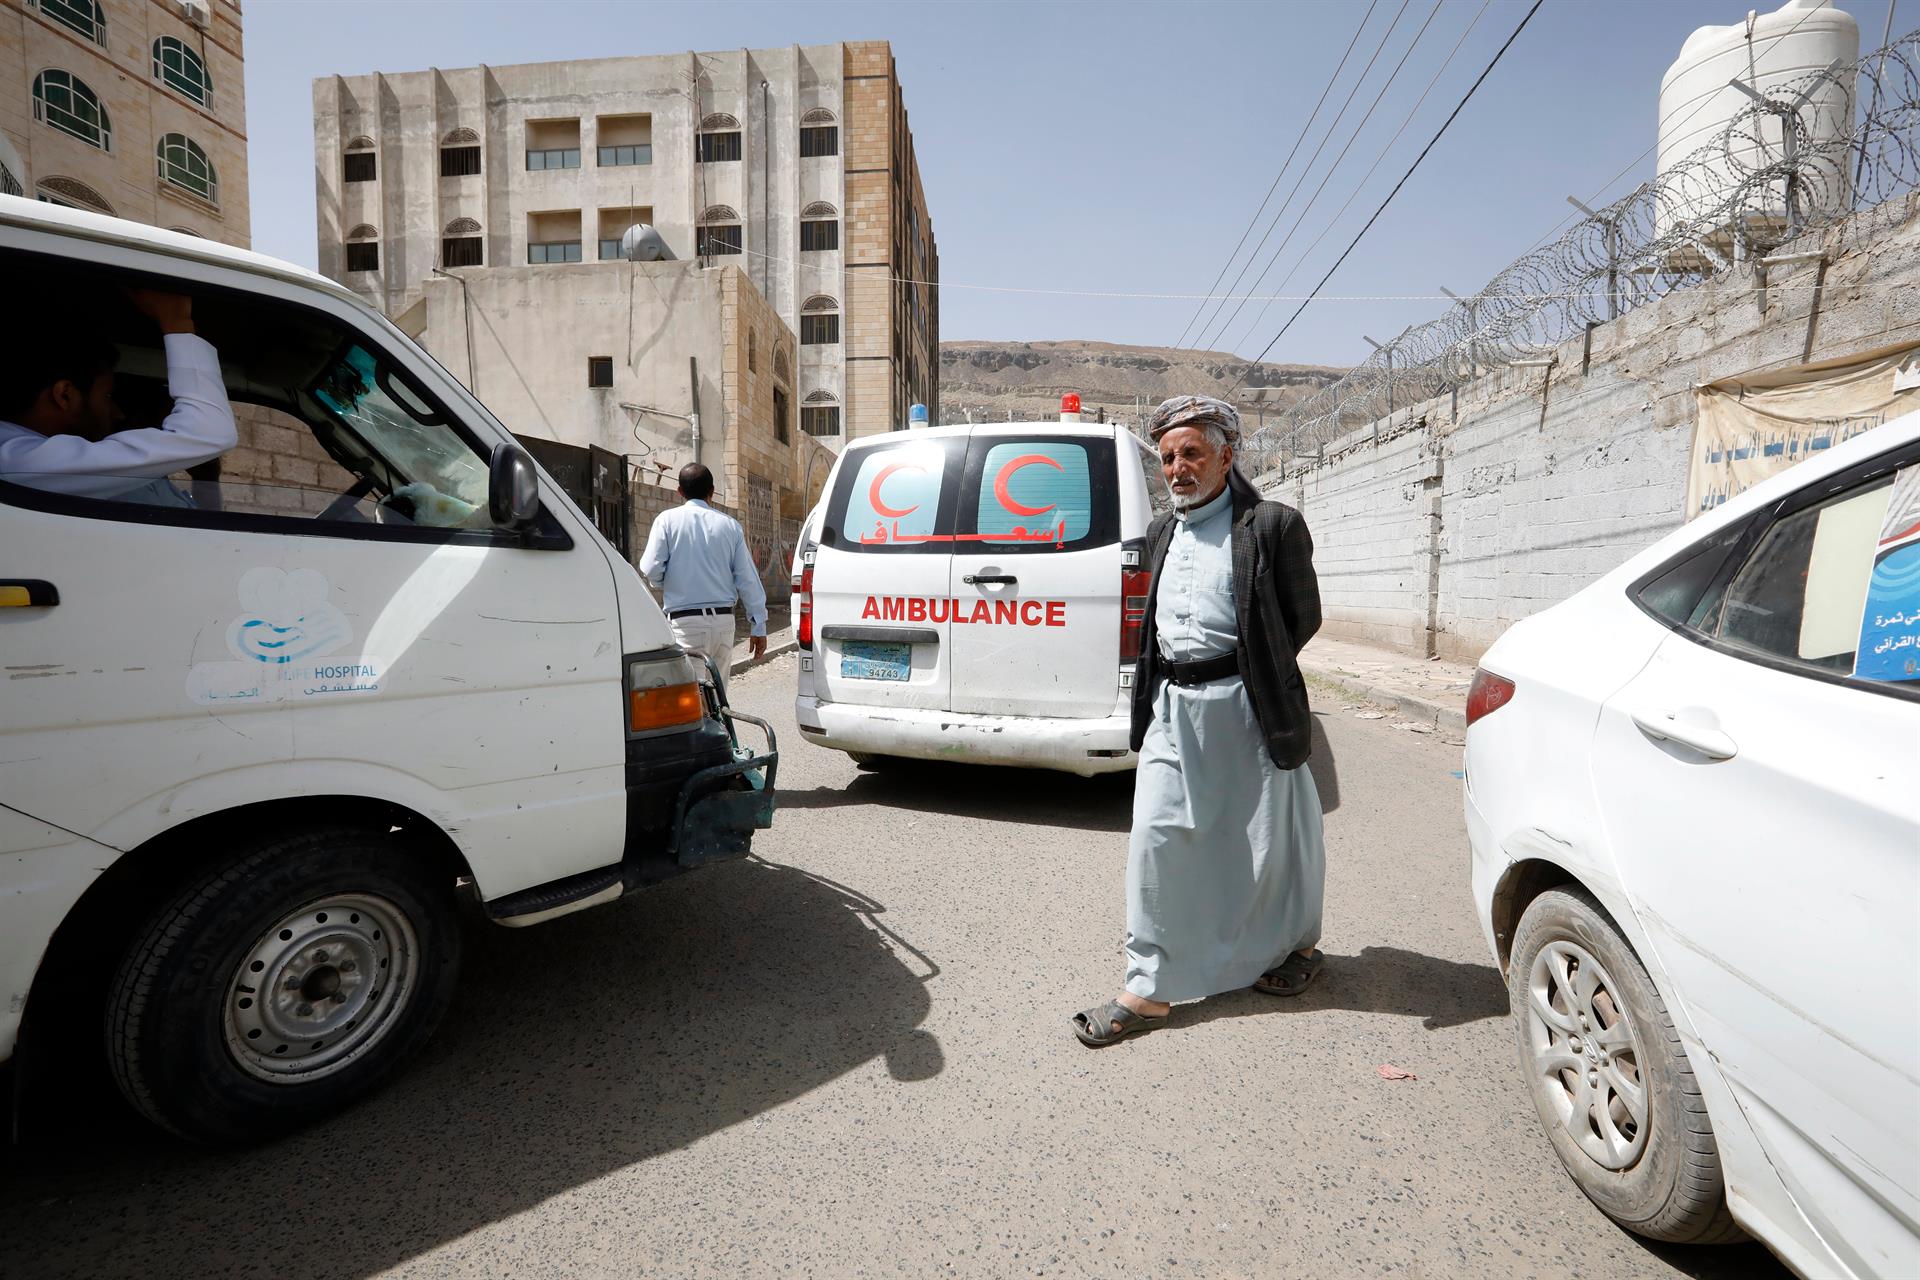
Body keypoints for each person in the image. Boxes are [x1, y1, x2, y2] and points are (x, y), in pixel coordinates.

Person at [1072, 395, 1327, 1046]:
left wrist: (1257, 672)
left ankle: (1296, 948)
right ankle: (1148, 987)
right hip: (1172, 708)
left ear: (1225, 456)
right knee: (1155, 836)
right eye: (1167, 458)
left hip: (1247, 706)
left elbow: (1302, 618)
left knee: (1273, 843)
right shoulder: (1161, 532)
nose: (1178, 468)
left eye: (1191, 453)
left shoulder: (1271, 525)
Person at [0, 290, 236, 506]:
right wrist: (177, 321)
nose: (118, 412)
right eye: (108, 396)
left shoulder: (22, 459)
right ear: (65, 395)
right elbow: (209, 433)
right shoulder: (22, 463)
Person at [638, 462, 768, 696]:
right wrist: (759, 624)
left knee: (691, 700)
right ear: (712, 491)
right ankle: (723, 733)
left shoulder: (666, 521)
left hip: (686, 624)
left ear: (680, 491)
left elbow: (650, 567)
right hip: (723, 624)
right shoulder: (730, 526)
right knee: (719, 698)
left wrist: (664, 582)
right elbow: (747, 578)